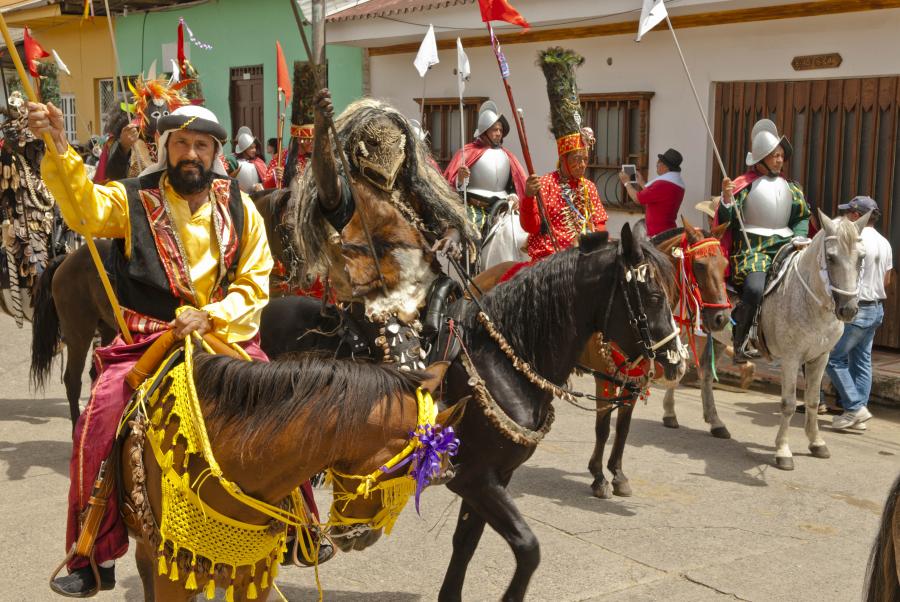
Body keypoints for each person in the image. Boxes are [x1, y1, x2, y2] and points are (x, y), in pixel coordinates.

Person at [27, 101, 281, 596]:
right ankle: (90, 553)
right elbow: (83, 209)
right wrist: (58, 147)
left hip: (222, 335)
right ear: (165, 149)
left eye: (201, 145)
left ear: (214, 153)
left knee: (282, 403)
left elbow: (255, 282)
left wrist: (211, 315)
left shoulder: (241, 206)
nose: (191, 154)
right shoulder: (131, 199)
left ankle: (297, 526)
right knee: (98, 418)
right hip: (149, 338)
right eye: (181, 144)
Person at [297, 89, 476, 371]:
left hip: (432, 291)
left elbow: (448, 223)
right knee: (409, 369)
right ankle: (417, 415)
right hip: (379, 305)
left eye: (393, 146)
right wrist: (321, 130)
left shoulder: (413, 189)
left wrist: (451, 238)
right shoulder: (347, 194)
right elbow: (326, 184)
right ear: (358, 149)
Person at [713, 119, 810, 363]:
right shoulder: (742, 185)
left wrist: (800, 236)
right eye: (774, 155)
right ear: (761, 158)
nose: (779, 160)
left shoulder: (792, 188)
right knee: (755, 289)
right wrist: (726, 199)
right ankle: (740, 339)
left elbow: (802, 215)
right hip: (752, 250)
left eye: (781, 156)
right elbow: (729, 220)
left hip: (787, 246)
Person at [520, 47, 607, 262]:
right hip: (551, 260)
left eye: (585, 159)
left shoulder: (590, 188)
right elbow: (531, 226)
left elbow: (599, 224)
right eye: (577, 159)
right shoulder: (546, 184)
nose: (582, 165)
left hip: (585, 259)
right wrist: (529, 196)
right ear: (564, 159)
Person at [827, 196, 892, 431]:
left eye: (847, 213)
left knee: (833, 359)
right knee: (862, 361)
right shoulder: (885, 242)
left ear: (857, 216)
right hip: (876, 308)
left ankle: (855, 407)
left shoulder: (854, 239)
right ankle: (857, 413)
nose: (844, 218)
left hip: (858, 308)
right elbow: (887, 279)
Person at [443, 100, 528, 236]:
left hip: (503, 207)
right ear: (484, 131)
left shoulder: (508, 156)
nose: (499, 133)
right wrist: (460, 180)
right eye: (495, 130)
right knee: (469, 238)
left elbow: (515, 185)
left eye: (500, 130)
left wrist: (514, 197)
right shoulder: (466, 152)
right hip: (474, 209)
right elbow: (449, 184)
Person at [103, 76, 190, 181]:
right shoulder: (130, 139)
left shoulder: (172, 139)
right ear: (141, 115)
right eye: (155, 114)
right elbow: (114, 174)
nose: (161, 118)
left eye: (166, 113)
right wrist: (124, 147)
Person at [264, 64, 317, 189]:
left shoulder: (318, 158)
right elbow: (266, 183)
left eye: (314, 139)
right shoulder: (282, 158)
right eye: (309, 140)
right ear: (299, 139)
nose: (313, 143)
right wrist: (276, 176)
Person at [618, 148, 685, 236]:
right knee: (674, 250)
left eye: (658, 163)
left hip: (659, 234)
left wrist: (626, 183)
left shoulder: (662, 184)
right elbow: (653, 195)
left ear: (665, 166)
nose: (657, 165)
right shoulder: (675, 183)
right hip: (669, 230)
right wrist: (641, 182)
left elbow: (637, 198)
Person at [227, 126, 268, 193]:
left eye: (254, 147)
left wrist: (261, 186)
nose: (254, 150)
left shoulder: (259, 161)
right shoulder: (231, 160)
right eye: (251, 147)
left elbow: (265, 180)